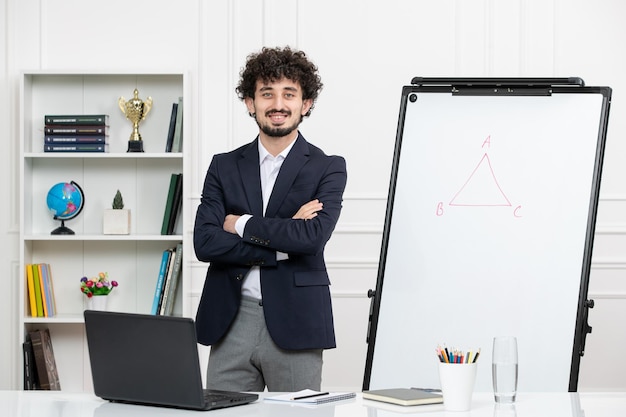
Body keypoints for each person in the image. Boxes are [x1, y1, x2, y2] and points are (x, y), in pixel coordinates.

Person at [193, 46, 347, 392]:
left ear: (305, 104)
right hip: (231, 319)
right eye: (267, 93)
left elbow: (311, 239)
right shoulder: (223, 165)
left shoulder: (328, 167)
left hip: (297, 320)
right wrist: (281, 243)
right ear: (250, 102)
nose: (278, 104)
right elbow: (204, 242)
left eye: (289, 93)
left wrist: (240, 224)